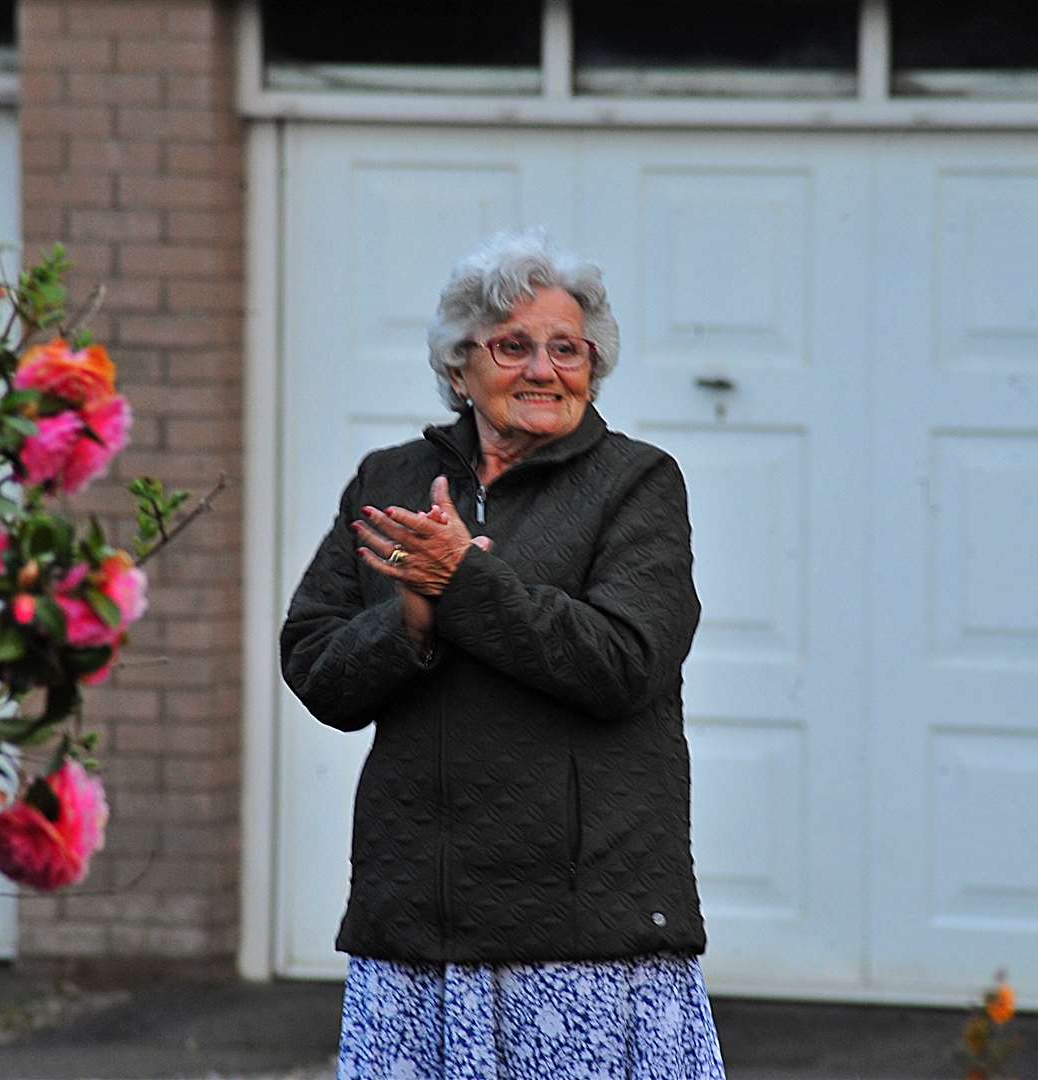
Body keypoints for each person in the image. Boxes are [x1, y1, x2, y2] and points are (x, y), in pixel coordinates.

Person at [280, 230, 724, 1078]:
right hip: (414, 923)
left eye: (567, 349)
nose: (542, 369)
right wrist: (407, 620)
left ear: (593, 368)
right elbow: (314, 665)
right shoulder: (391, 482)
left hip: (576, 930)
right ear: (458, 369)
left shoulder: (635, 484)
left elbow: (625, 662)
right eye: (512, 346)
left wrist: (462, 589)